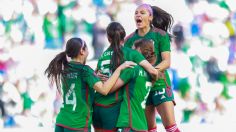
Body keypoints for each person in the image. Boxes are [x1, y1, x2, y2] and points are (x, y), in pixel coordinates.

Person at [44, 37, 136, 132]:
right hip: (77, 124)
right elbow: (104, 90)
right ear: (82, 51)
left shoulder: (65, 69)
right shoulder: (85, 70)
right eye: (87, 48)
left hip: (61, 121)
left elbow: (78, 83)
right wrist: (119, 69)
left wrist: (94, 77)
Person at [124, 4, 180, 132]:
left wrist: (151, 71)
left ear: (150, 17)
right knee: (150, 129)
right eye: (136, 13)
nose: (138, 15)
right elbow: (128, 65)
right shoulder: (129, 40)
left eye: (142, 13)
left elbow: (167, 62)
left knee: (171, 127)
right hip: (142, 88)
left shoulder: (160, 35)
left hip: (159, 84)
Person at [93, 22, 158, 132]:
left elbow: (95, 75)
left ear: (108, 38)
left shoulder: (103, 55)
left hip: (97, 106)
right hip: (113, 107)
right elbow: (153, 71)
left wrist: (98, 76)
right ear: (124, 36)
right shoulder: (131, 53)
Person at [108, 39, 156, 132]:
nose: (131, 52)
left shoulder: (133, 69)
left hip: (129, 122)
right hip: (142, 125)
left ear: (139, 51)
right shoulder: (151, 75)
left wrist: (118, 70)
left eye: (133, 49)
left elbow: (109, 89)